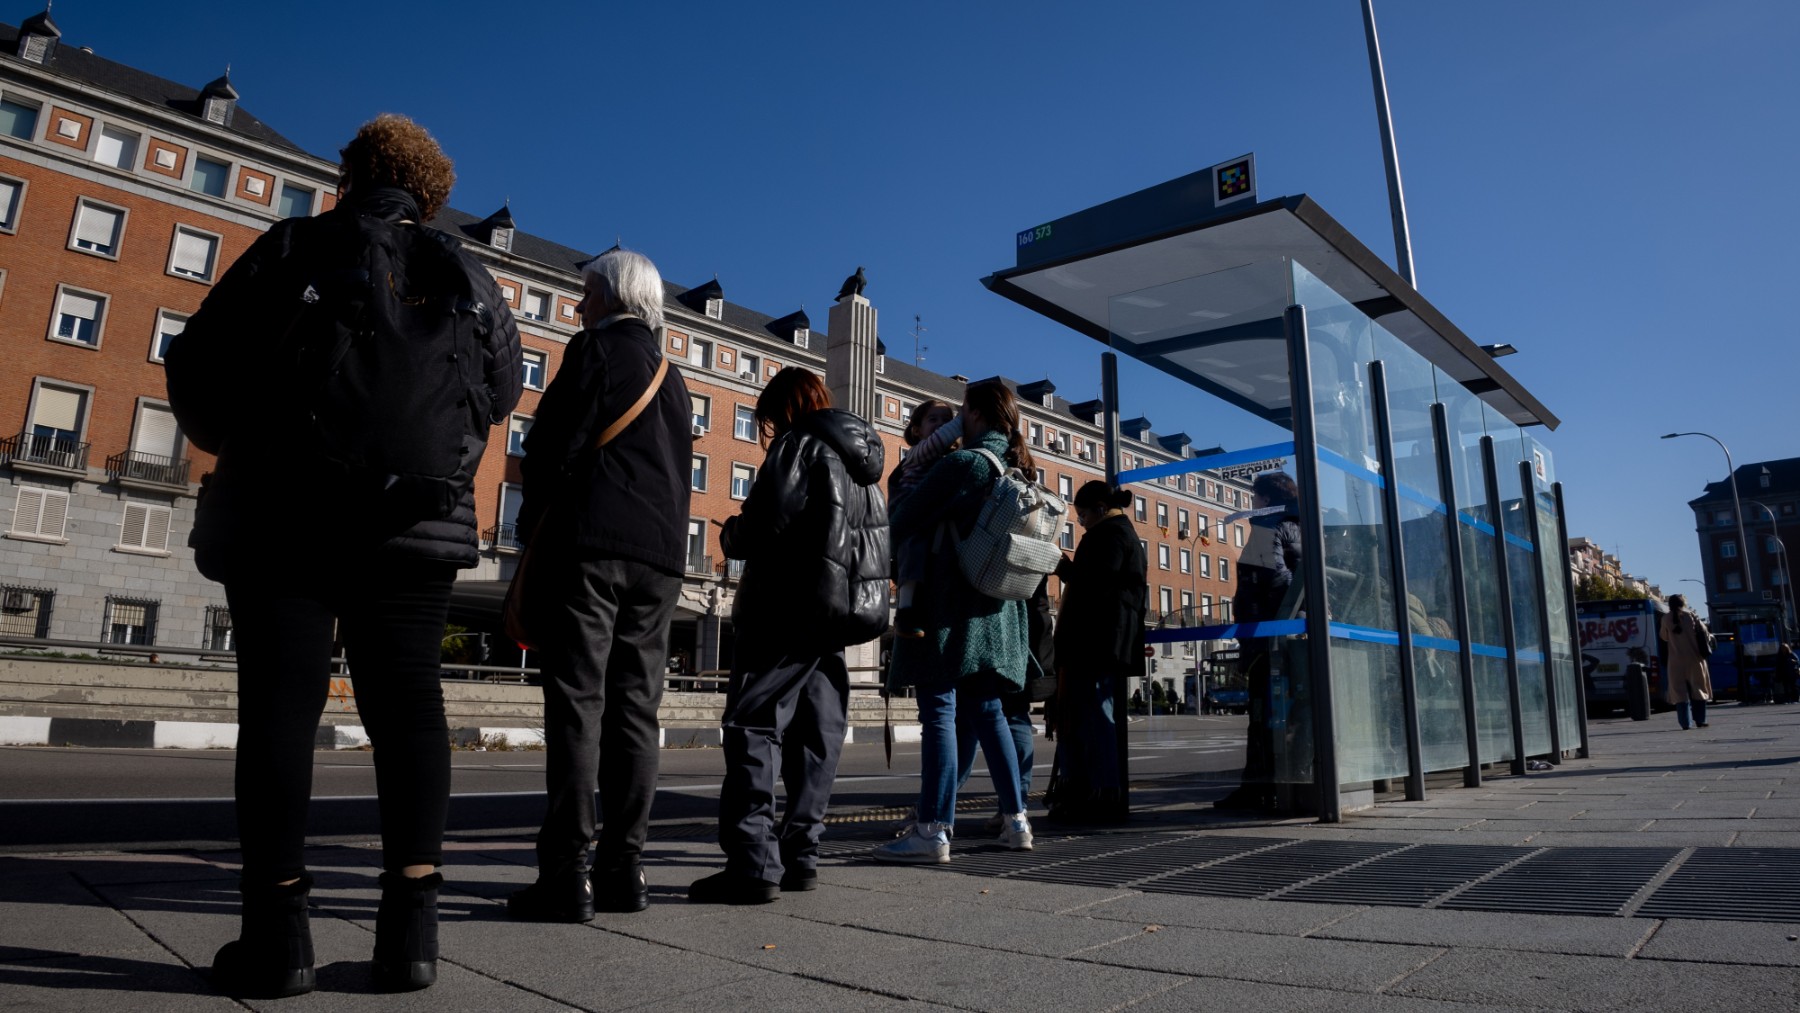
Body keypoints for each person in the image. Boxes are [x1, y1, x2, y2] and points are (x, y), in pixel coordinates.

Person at [165, 114, 522, 996]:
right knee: (409, 711)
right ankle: (411, 933)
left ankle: (278, 934)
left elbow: (197, 359)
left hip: (287, 511)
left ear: (352, 172)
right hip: (417, 526)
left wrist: (232, 440)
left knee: (281, 711)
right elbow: (503, 391)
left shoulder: (295, 246)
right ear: (432, 197)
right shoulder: (471, 277)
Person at [506, 249, 692, 922]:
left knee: (578, 700)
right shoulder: (673, 376)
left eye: (585, 293)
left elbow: (551, 445)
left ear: (612, 298)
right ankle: (626, 868)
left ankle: (565, 873)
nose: (579, 305)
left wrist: (533, 527)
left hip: (595, 545)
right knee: (637, 710)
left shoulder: (594, 351)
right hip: (663, 559)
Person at [689, 368, 889, 903]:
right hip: (834, 618)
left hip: (784, 611)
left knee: (754, 726)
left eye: (767, 420)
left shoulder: (799, 447)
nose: (767, 431)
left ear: (783, 411)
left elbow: (761, 525)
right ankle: (802, 856)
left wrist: (730, 532)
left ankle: (753, 863)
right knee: (816, 738)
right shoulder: (863, 467)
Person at [875, 381, 1041, 863]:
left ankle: (931, 830)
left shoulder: (963, 464)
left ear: (970, 413)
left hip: (949, 613)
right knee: (990, 715)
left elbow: (900, 519)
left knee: (939, 716)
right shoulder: (1011, 466)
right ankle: (1017, 821)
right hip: (996, 614)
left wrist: (920, 460)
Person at [1046, 483, 1146, 824]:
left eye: (1084, 515)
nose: (1082, 522)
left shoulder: (1110, 535)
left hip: (1094, 641)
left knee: (1090, 720)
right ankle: (1092, 791)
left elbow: (1096, 583)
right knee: (1088, 718)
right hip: (1102, 641)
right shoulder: (1122, 533)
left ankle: (1096, 793)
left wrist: (1062, 567)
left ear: (1101, 508)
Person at [1215, 471, 1302, 811]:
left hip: (1268, 636)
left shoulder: (1268, 526)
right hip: (1292, 633)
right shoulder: (1299, 525)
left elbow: (1273, 576)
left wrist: (1264, 623)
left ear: (1265, 499)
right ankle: (1284, 779)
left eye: (1254, 498)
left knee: (1262, 713)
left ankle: (1258, 786)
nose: (1252, 504)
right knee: (1285, 713)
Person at [888, 400, 962, 637]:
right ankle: (905, 610)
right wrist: (962, 420)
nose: (941, 424)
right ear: (917, 430)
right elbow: (940, 440)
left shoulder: (952, 457)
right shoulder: (919, 452)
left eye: (946, 420)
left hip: (932, 518)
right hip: (910, 509)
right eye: (933, 419)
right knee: (913, 549)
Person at [1660, 594, 1713, 729]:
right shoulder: (1692, 616)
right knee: (1699, 689)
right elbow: (1705, 633)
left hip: (1676, 660)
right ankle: (1700, 720)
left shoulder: (1665, 618)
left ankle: (1685, 723)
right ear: (1683, 603)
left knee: (1679, 692)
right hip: (1695, 658)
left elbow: (1664, 637)